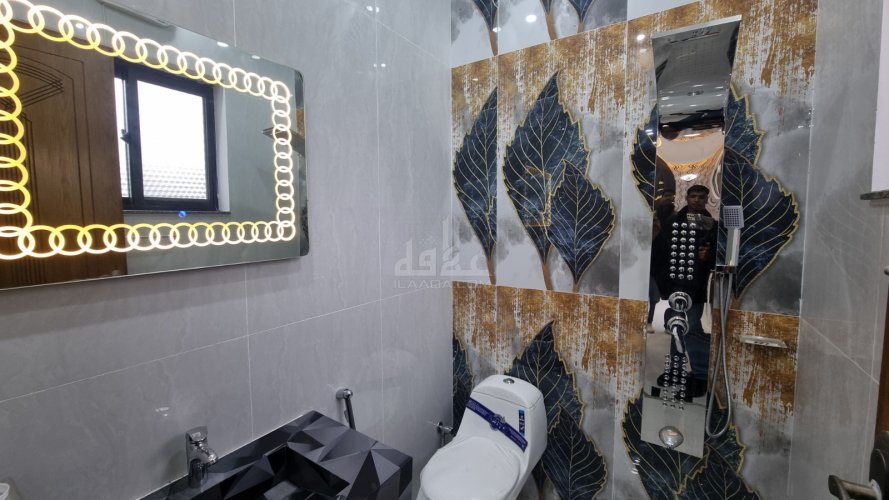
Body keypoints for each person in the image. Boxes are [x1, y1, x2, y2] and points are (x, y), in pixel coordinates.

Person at [652, 184, 716, 398]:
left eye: (701, 197)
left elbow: (719, 256)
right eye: (693, 196)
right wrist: (663, 283)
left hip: (696, 285)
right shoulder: (673, 222)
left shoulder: (711, 226)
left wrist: (709, 256)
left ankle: (700, 374)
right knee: (676, 327)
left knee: (693, 328)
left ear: (707, 199)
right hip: (675, 284)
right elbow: (661, 252)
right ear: (687, 198)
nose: (696, 200)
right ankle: (676, 370)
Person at [646, 189, 676, 333]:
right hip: (651, 259)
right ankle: (648, 321)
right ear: (661, 197)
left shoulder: (675, 217)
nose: (669, 198)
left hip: (667, 260)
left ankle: (668, 324)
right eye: (666, 196)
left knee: (671, 294)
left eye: (671, 196)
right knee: (653, 295)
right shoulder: (653, 215)